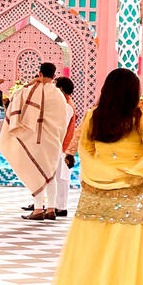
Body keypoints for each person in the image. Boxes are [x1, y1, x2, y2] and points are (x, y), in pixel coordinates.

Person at [39, 67, 143, 285]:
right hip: (131, 190)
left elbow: (85, 150)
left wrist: (100, 172)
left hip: (96, 189)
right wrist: (135, 172)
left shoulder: (93, 115)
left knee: (90, 251)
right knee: (123, 254)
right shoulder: (140, 116)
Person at [3, 61, 69, 221]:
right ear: (54, 75)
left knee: (36, 172)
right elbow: (62, 121)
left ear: (40, 73)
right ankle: (51, 209)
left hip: (36, 141)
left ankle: (38, 209)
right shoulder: (59, 95)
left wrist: (31, 83)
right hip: (53, 140)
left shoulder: (31, 91)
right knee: (50, 173)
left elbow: (14, 98)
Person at [53, 76, 78, 218]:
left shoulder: (67, 106)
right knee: (58, 177)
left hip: (63, 146)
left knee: (62, 178)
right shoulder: (64, 104)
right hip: (60, 145)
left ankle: (61, 207)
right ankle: (56, 205)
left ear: (61, 89)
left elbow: (61, 127)